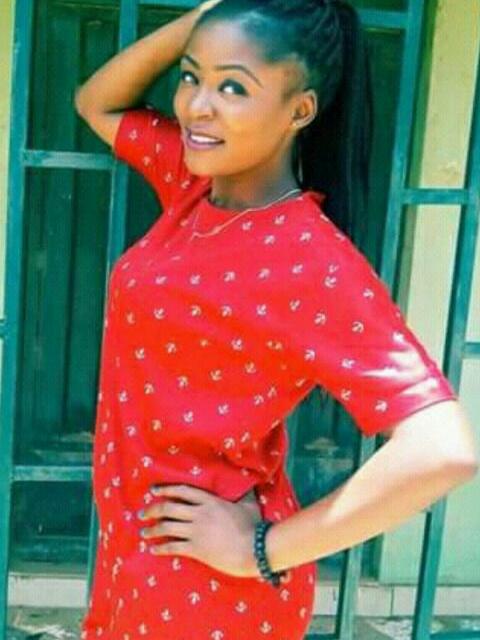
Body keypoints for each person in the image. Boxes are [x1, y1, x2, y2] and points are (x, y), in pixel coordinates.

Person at [74, 0, 478, 638]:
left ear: (300, 110)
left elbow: (443, 449)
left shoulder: (308, 258)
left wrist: (261, 549)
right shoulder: (196, 186)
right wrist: (211, 13)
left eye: (234, 87)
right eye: (191, 76)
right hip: (136, 554)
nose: (197, 106)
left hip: (208, 588)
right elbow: (97, 104)